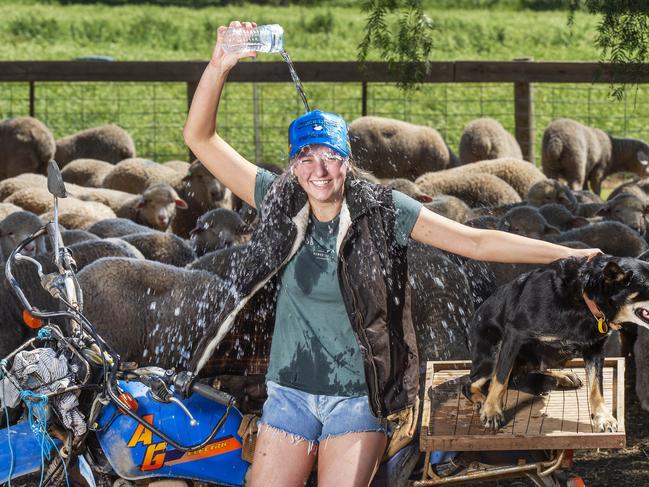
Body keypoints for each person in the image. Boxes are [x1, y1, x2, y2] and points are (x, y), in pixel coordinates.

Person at [183, 21, 601, 487]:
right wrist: (220, 63)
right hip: (289, 396)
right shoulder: (278, 197)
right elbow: (200, 139)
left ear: (346, 160)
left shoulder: (383, 211)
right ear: (293, 163)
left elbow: (474, 242)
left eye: (330, 156)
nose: (318, 170)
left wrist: (566, 254)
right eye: (306, 157)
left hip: (359, 398)